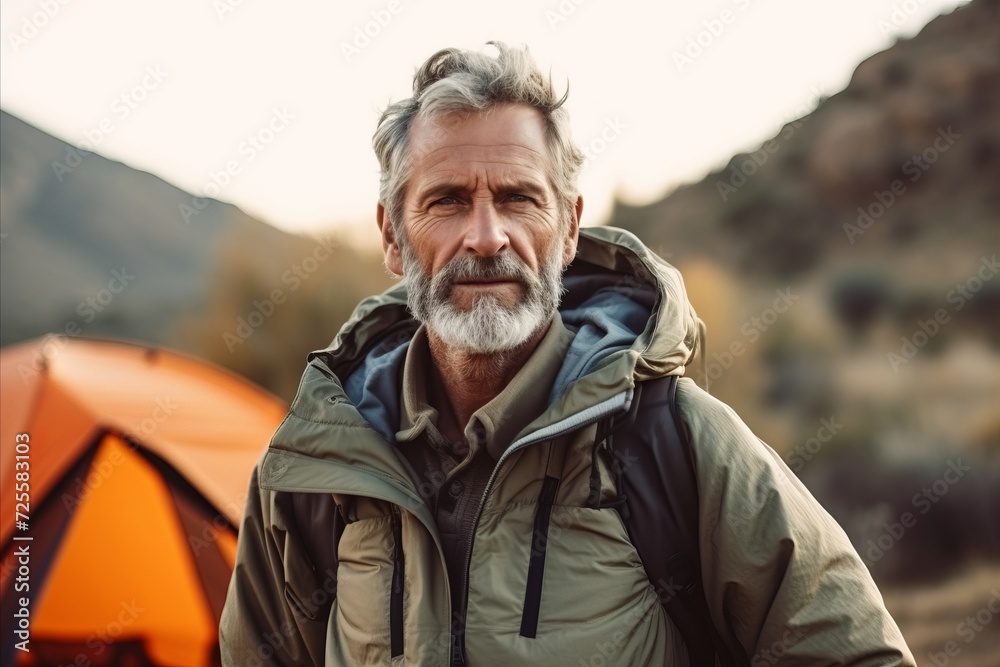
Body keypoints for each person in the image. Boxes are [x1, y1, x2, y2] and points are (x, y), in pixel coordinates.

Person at [219, 42, 915, 666]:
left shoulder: (676, 444)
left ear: (570, 227)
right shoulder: (314, 473)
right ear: (393, 236)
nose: (487, 237)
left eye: (520, 199)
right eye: (448, 201)